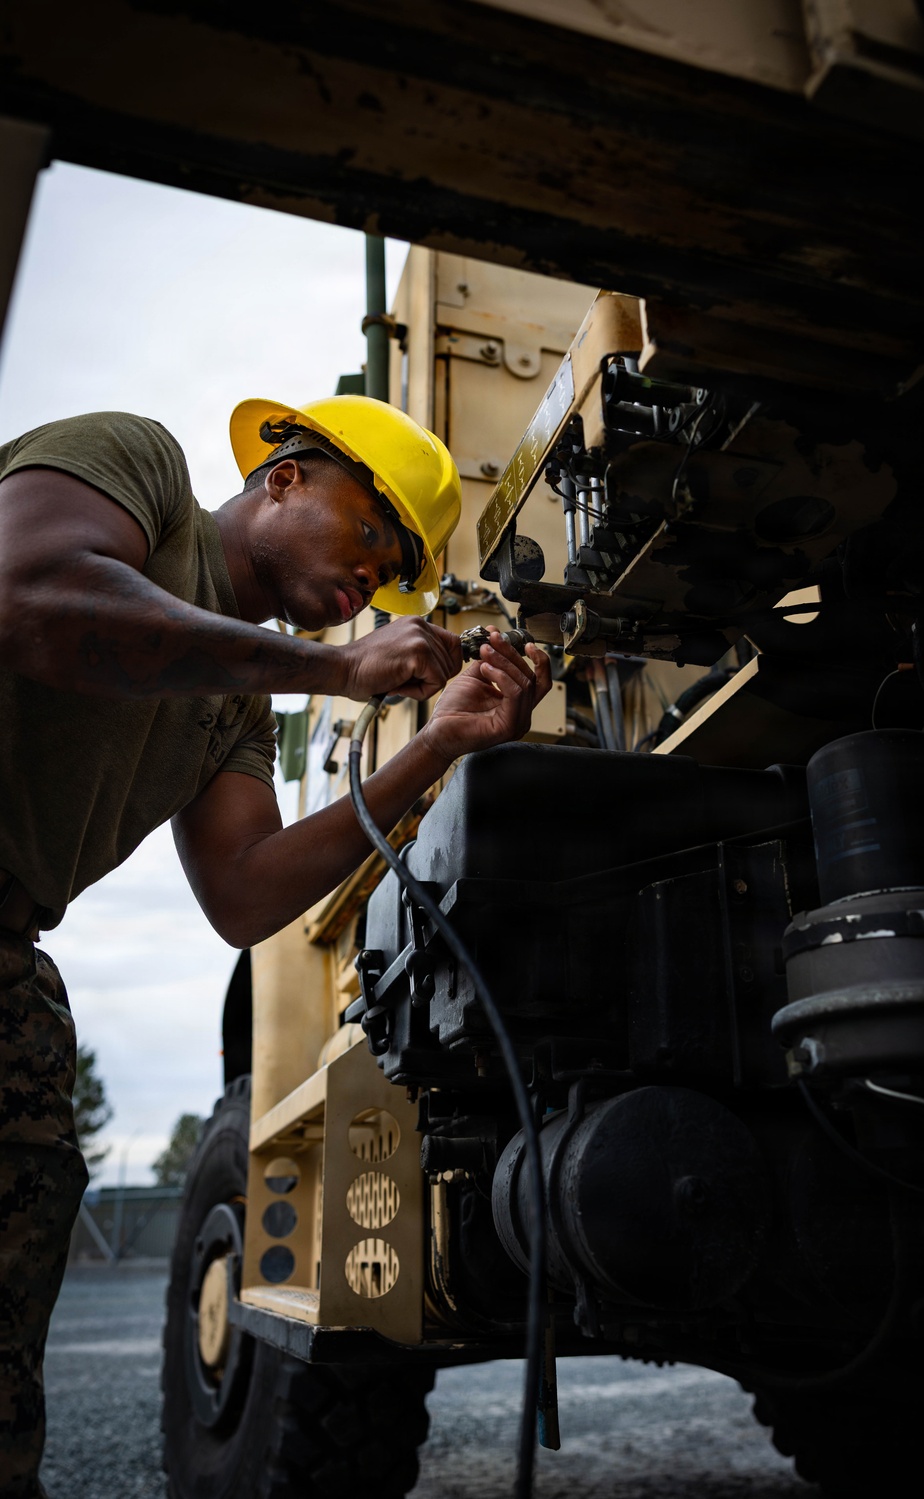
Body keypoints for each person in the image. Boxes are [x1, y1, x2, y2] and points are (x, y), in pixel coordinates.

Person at [0, 394, 551, 1496]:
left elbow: (246, 895)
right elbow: (27, 597)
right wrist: (342, 673)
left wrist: (436, 745)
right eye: (371, 533)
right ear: (287, 476)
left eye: (396, 565)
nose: (376, 577)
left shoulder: (238, 708)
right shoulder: (136, 464)